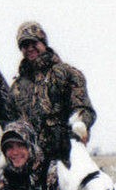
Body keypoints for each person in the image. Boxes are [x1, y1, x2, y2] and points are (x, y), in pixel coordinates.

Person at [8, 21, 97, 170]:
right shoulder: (17, 87)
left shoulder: (67, 74)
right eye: (25, 45)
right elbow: (11, 123)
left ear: (43, 42)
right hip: (30, 165)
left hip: (64, 159)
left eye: (34, 43)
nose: (30, 48)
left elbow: (84, 109)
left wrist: (80, 125)